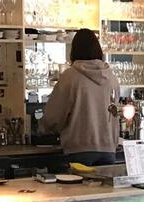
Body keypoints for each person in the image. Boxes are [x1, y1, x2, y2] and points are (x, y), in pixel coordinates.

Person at [42, 28, 121, 166]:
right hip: (108, 149)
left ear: (74, 50)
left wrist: (45, 129)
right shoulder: (111, 77)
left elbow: (53, 117)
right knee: (105, 188)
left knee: (78, 188)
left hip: (78, 149)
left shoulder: (70, 77)